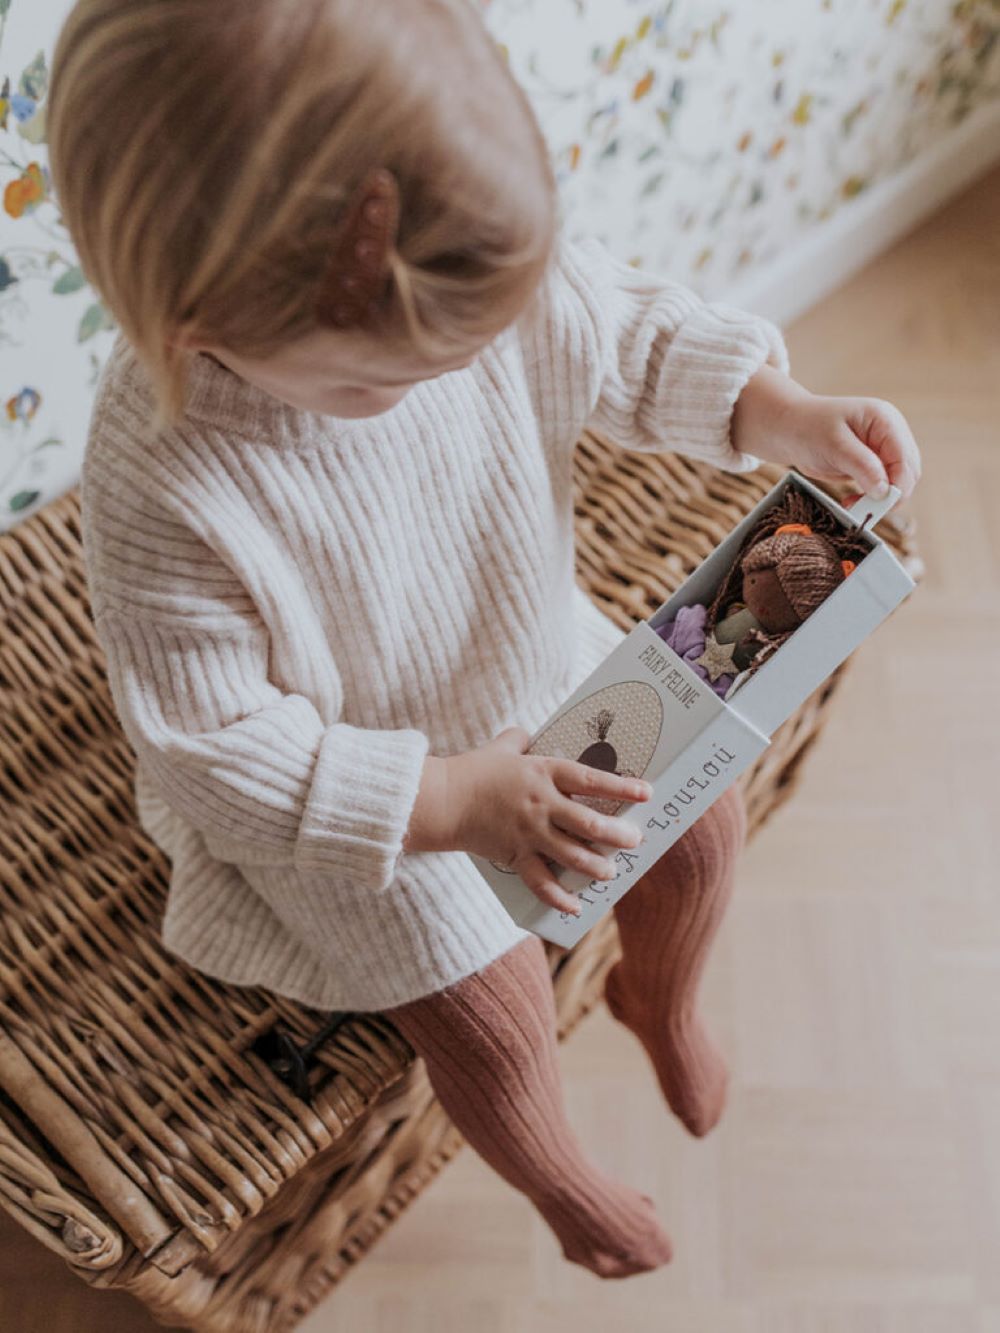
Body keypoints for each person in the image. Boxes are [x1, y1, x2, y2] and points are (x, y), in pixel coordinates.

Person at [47, 0, 921, 1279]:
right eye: (384, 380)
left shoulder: (463, 268)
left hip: (516, 645)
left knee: (704, 815)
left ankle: (656, 997)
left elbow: (625, 329)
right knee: (486, 998)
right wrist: (448, 799)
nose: (443, 379)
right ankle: (563, 1181)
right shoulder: (164, 481)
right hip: (364, 790)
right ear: (191, 324)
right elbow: (213, 748)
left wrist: (773, 408)